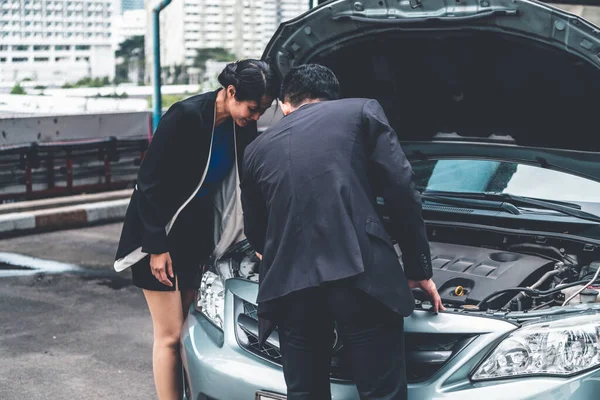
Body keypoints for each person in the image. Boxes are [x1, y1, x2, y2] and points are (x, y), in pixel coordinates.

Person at [240, 64, 445, 399]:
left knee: (305, 394)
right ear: (333, 96)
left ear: (284, 104)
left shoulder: (257, 149)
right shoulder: (362, 110)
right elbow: (402, 190)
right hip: (360, 276)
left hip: (291, 290)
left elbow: (257, 232)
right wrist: (418, 268)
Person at [113, 59, 280, 400]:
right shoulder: (186, 116)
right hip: (156, 233)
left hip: (194, 236)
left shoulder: (240, 126)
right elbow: (149, 184)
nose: (256, 117)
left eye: (262, 111)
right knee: (170, 334)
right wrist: (156, 248)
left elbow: (247, 186)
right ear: (231, 92)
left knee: (189, 329)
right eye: (252, 108)